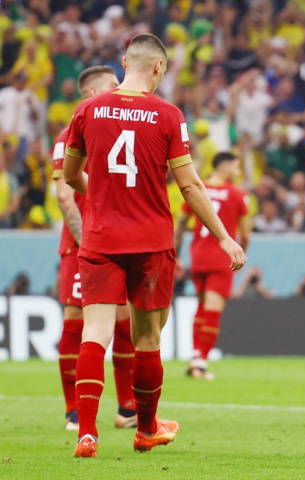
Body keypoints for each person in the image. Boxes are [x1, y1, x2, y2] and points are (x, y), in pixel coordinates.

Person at [63, 33, 246, 458]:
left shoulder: (87, 110)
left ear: (126, 61)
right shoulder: (168, 114)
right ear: (159, 67)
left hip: (100, 238)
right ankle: (146, 429)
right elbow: (190, 185)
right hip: (150, 241)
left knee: (95, 333)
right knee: (146, 338)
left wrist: (102, 196)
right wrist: (224, 236)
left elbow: (71, 176)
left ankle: (86, 433)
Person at [52, 65, 137, 432]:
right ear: (90, 94)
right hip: (82, 245)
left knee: (125, 321)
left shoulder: (119, 128)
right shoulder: (69, 134)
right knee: (76, 321)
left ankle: (127, 408)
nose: (119, 90)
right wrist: (85, 238)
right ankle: (74, 410)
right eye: (112, 86)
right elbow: (64, 196)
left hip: (118, 242)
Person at [174, 151, 251, 380]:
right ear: (225, 166)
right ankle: (200, 363)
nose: (237, 172)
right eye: (236, 167)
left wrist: (176, 254)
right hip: (222, 258)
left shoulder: (198, 189)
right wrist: (241, 253)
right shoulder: (237, 194)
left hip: (198, 256)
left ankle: (195, 355)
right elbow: (246, 233)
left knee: (201, 307)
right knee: (212, 311)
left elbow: (180, 224)